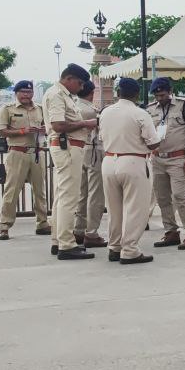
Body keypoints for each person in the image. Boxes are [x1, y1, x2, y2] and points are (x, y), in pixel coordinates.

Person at [99, 78, 161, 265]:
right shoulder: (139, 113)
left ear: (118, 92)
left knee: (114, 208)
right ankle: (130, 249)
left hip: (110, 160)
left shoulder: (105, 112)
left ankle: (114, 246)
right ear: (136, 94)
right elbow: (153, 142)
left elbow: (102, 137)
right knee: (135, 208)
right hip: (133, 160)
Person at [43, 63, 98, 260]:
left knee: (62, 196)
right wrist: (85, 123)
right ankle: (66, 244)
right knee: (69, 197)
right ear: (69, 79)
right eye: (80, 83)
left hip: (67, 147)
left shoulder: (62, 94)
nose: (81, 87)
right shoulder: (58, 94)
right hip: (67, 147)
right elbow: (58, 125)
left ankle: (59, 240)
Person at [146, 77, 185, 250]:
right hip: (157, 158)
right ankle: (171, 231)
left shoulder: (184, 105)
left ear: (170, 91)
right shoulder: (150, 109)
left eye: (162, 94)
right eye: (156, 95)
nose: (159, 98)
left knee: (179, 195)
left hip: (177, 158)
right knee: (162, 197)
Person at [0, 80, 49, 240]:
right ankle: (4, 226)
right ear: (16, 93)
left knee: (40, 191)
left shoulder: (39, 109)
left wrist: (44, 130)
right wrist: (22, 131)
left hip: (37, 152)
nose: (26, 95)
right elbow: (1, 130)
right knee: (12, 190)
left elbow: (48, 127)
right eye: (23, 92)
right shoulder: (7, 109)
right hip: (17, 152)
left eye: (29, 92)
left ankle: (42, 223)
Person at [74, 80, 107, 249]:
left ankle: (79, 229)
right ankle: (91, 232)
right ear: (92, 92)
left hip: (80, 151)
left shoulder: (75, 106)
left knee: (82, 193)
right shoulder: (89, 110)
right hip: (93, 151)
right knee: (96, 195)